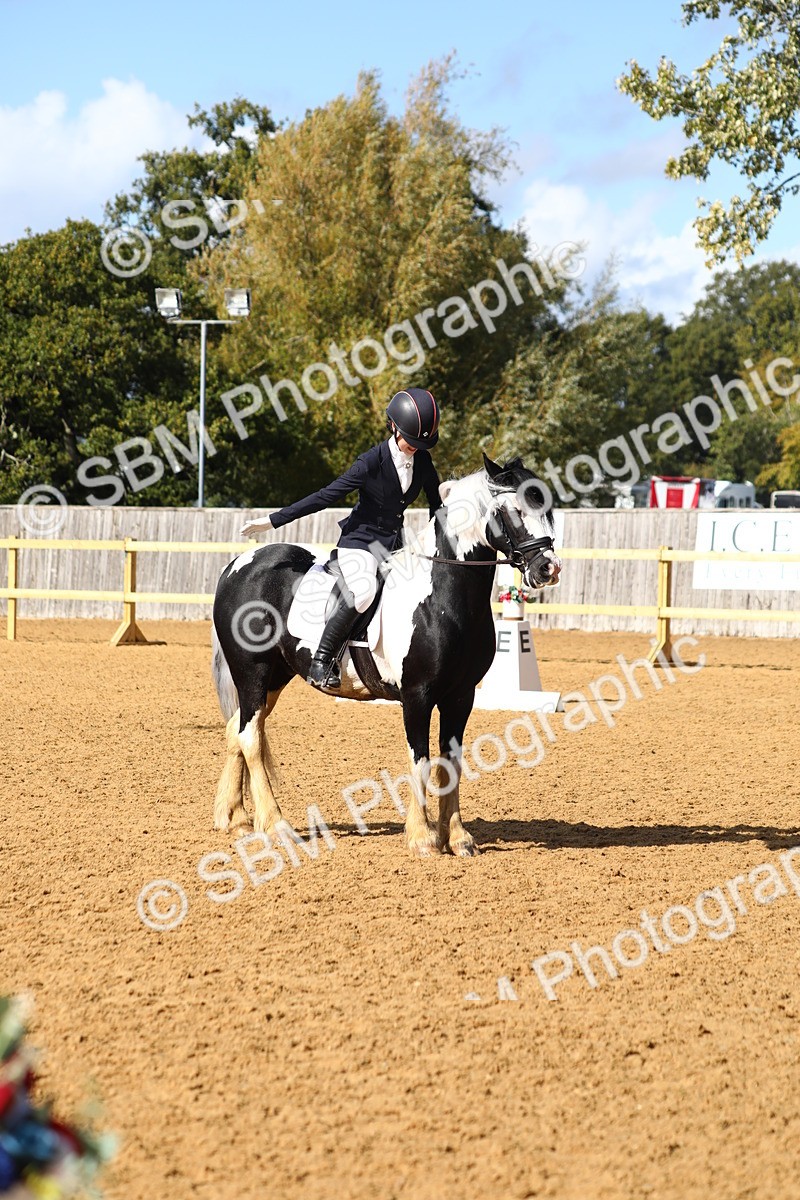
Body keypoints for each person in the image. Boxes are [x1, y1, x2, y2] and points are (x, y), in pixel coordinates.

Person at [241, 388, 443, 689]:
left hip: (395, 546)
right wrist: (273, 520)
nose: (414, 448)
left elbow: (436, 502)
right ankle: (322, 660)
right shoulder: (370, 462)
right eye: (410, 440)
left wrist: (439, 535)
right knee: (362, 591)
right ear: (393, 427)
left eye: (420, 443)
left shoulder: (423, 461)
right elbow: (325, 496)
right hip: (360, 543)